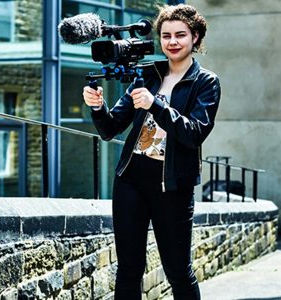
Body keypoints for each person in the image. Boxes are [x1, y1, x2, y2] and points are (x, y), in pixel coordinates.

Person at [82, 4, 220, 300]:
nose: (172, 41)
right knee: (129, 268)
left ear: (195, 37)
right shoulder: (149, 74)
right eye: (166, 35)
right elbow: (110, 128)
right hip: (131, 178)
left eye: (180, 35)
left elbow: (193, 133)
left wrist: (155, 104)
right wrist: (97, 106)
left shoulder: (206, 82)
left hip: (172, 184)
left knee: (178, 271)